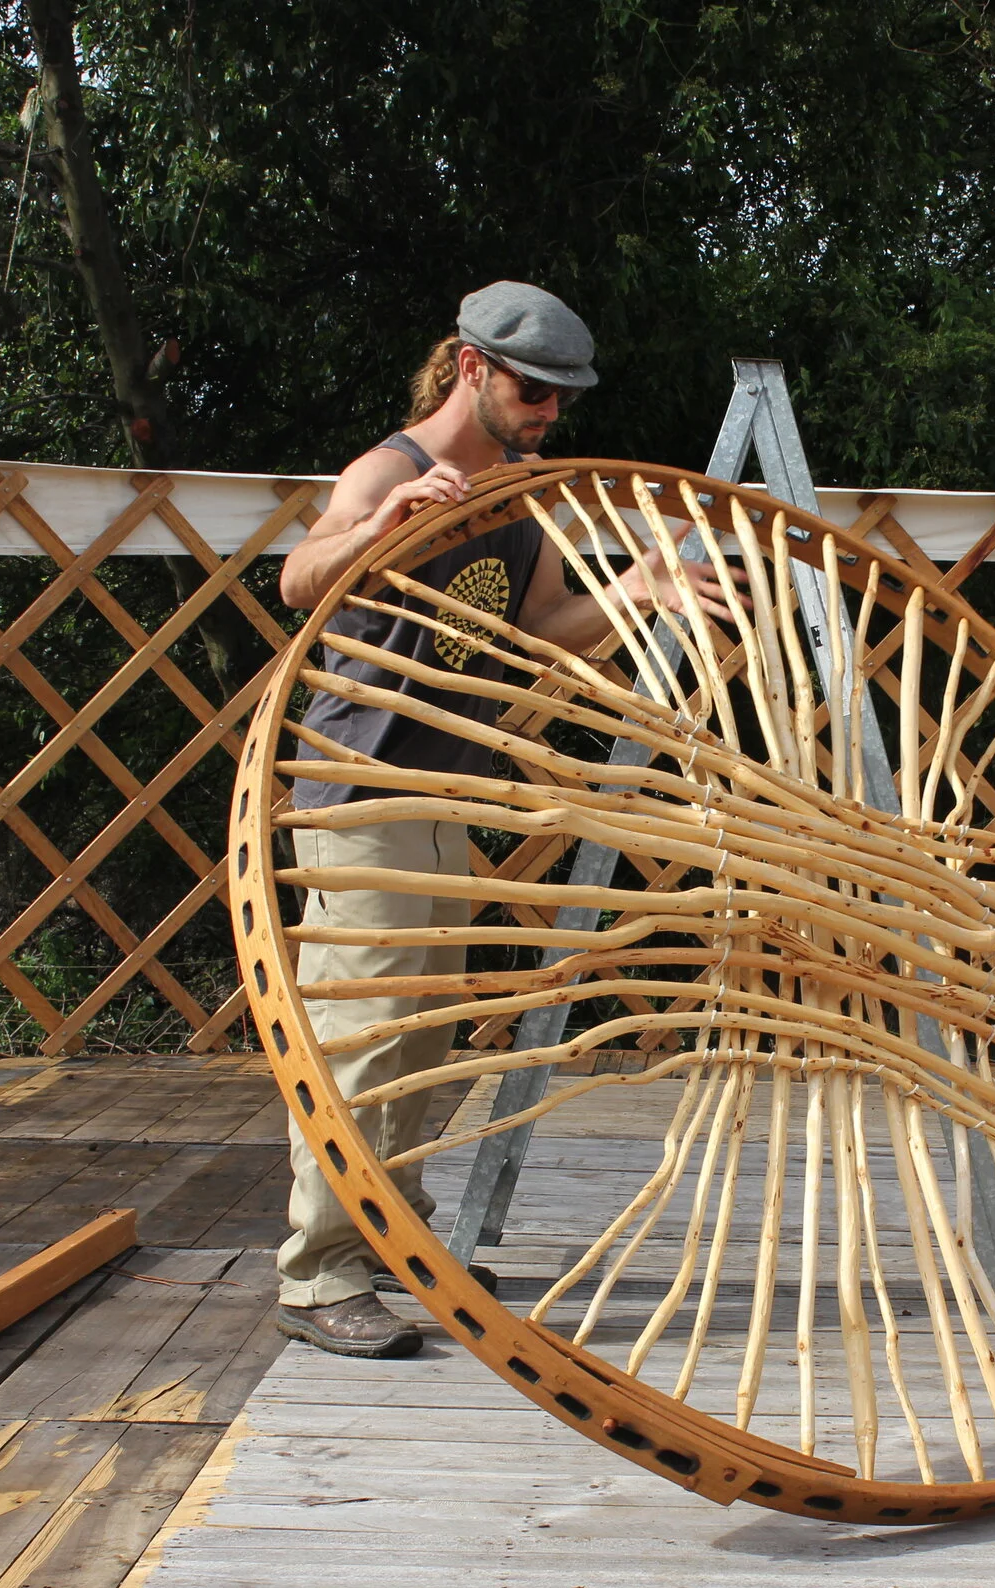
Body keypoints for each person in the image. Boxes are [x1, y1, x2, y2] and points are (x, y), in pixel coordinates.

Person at [272, 280, 737, 1357]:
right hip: (362, 789)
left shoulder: (519, 498)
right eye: (534, 391)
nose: (548, 414)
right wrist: (377, 530)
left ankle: (393, 1244)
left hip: (449, 792)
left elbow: (539, 634)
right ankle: (316, 1273)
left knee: (426, 1042)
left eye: (563, 401)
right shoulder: (385, 472)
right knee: (360, 1039)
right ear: (473, 367)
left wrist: (643, 588)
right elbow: (300, 579)